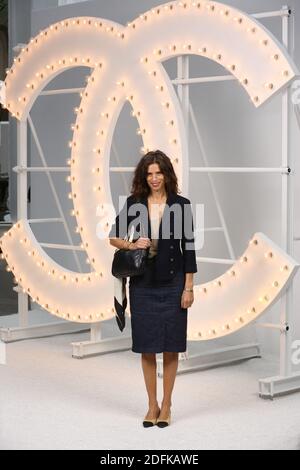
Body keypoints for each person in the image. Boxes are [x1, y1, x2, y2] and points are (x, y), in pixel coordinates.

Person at [109, 149, 197, 428]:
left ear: (167, 174)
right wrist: (133, 244)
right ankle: (152, 405)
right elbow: (113, 237)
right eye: (149, 174)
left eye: (159, 173)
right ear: (143, 177)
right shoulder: (135, 203)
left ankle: (167, 405)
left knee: (171, 348)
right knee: (147, 348)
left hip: (173, 284)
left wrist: (189, 288)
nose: (154, 178)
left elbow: (190, 249)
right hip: (143, 284)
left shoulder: (181, 205)